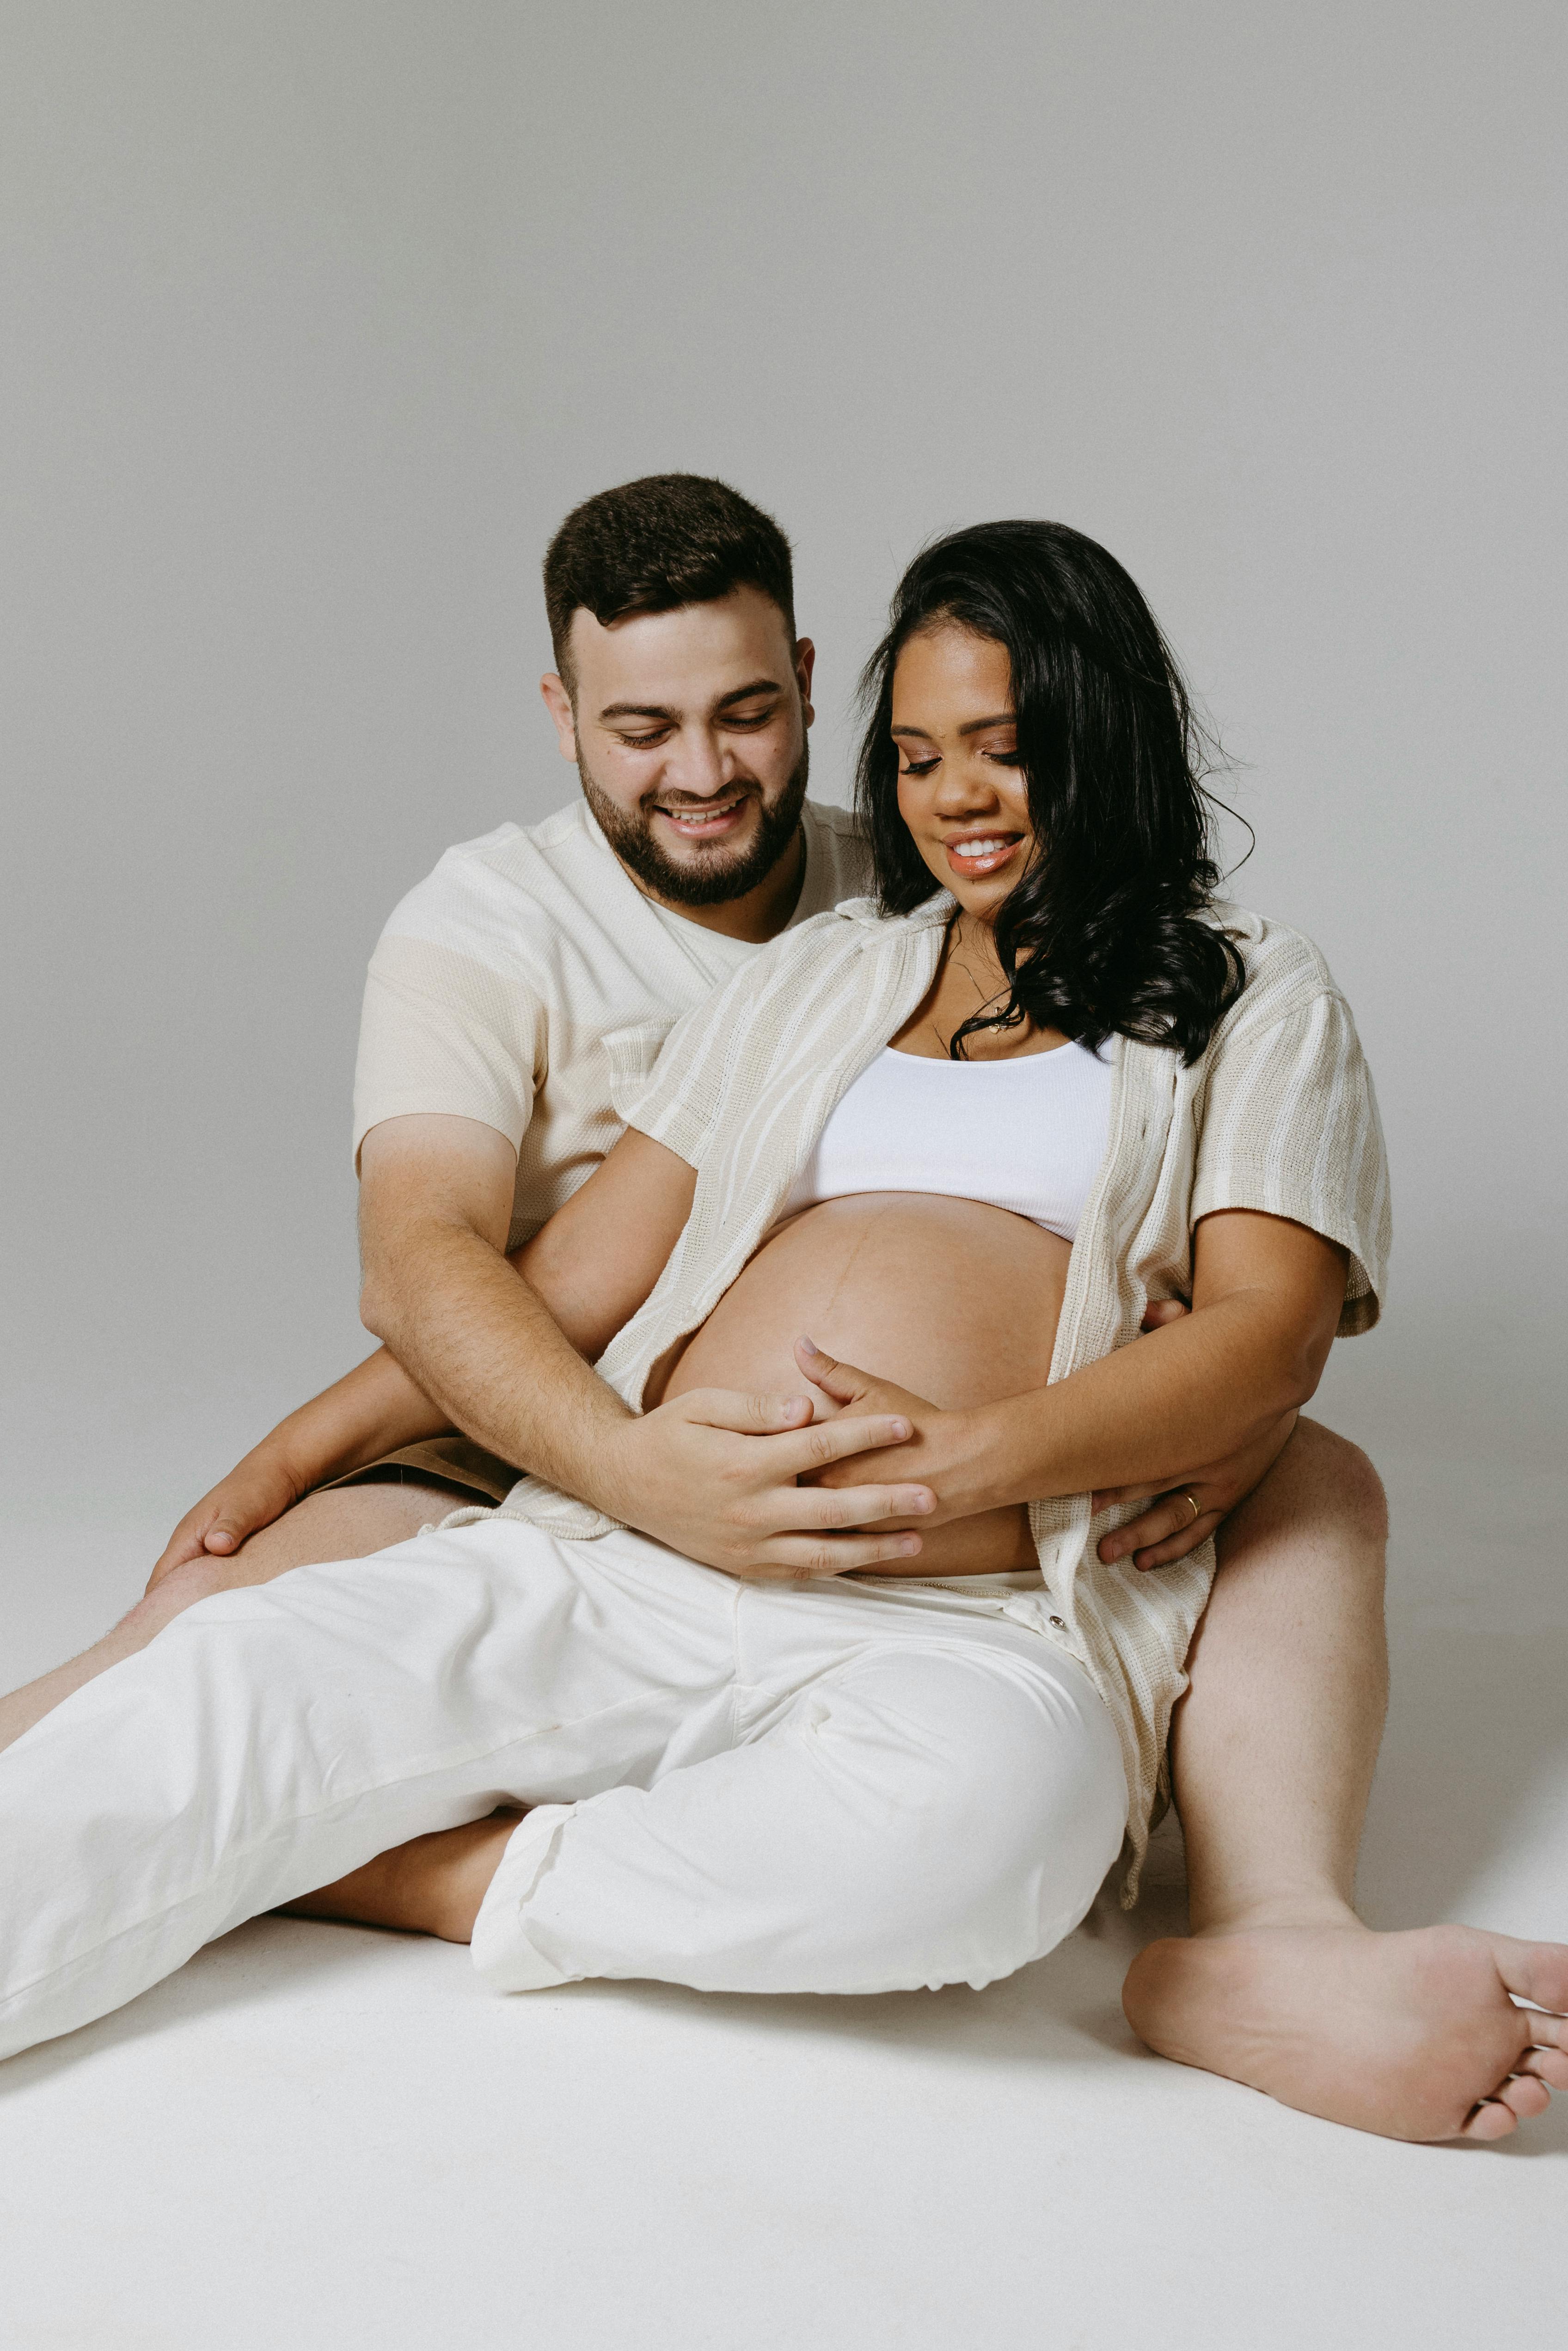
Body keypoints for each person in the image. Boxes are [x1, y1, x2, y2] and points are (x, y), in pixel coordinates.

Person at [3, 514, 1563, 2141]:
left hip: (974, 1628)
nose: (955, 796)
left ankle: (417, 1872)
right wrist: (300, 1449)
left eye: (1005, 751)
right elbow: (569, 1290)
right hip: (629, 1557)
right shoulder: (822, 973)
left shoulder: (1251, 996)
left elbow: (1267, 1337)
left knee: (985, 1851)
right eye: (916, 757)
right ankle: (283, 1828)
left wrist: (970, 1460)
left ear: (1103, 740)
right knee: (235, 1683)